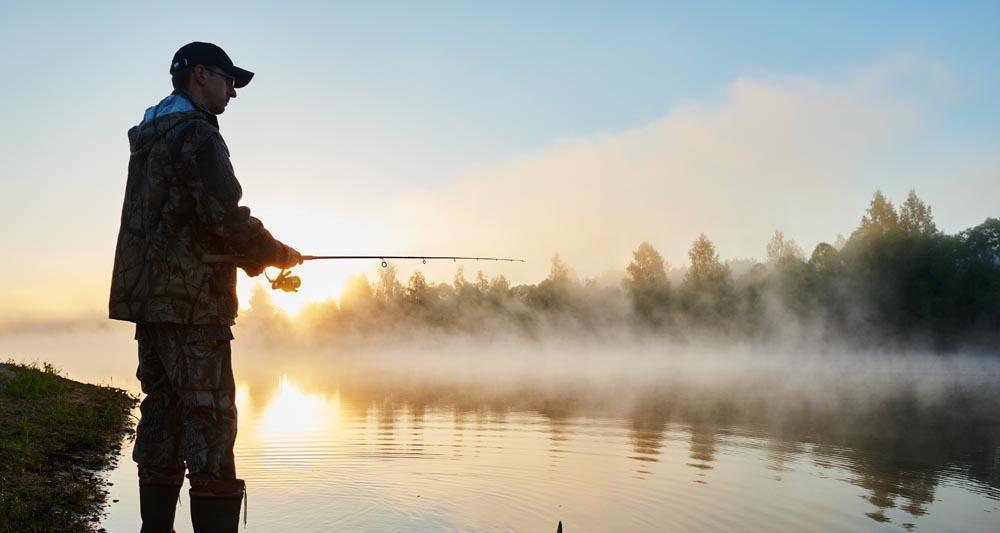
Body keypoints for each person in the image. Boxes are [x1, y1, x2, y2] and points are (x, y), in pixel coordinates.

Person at [109, 42, 301, 533]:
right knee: (211, 422)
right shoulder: (196, 134)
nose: (233, 92)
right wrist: (274, 252)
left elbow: (180, 221)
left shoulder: (151, 136)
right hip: (195, 305)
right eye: (228, 79)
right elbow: (222, 216)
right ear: (200, 75)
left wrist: (250, 256)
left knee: (163, 414)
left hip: (150, 301)